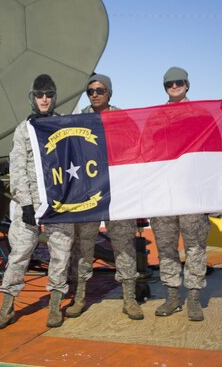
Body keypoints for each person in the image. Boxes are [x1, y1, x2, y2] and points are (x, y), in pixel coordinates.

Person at [0, 74, 75, 330]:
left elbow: (75, 161)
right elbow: (18, 169)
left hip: (59, 202)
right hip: (30, 203)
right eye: (39, 94)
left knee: (60, 254)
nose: (44, 99)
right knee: (19, 255)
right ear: (32, 97)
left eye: (49, 94)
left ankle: (54, 305)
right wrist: (26, 204)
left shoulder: (65, 126)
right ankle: (7, 307)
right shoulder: (23, 129)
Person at [65, 73, 143, 320]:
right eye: (90, 91)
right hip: (88, 193)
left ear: (109, 92)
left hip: (117, 192)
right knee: (84, 246)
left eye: (100, 90)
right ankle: (79, 297)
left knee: (123, 245)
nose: (95, 94)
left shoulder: (122, 119)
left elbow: (136, 150)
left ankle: (129, 298)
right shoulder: (79, 120)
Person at [149, 66, 210, 322]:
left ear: (187, 84)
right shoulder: (155, 116)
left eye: (178, 82)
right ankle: (173, 296)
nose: (174, 87)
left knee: (195, 246)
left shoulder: (202, 115)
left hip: (192, 193)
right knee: (166, 247)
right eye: (169, 84)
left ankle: (194, 297)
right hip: (164, 193)